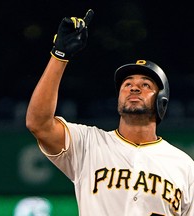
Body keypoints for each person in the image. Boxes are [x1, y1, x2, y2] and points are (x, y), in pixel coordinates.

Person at [26, 9, 194, 215]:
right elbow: (39, 124)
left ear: (162, 101)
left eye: (146, 85)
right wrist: (59, 55)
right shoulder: (89, 144)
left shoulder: (184, 166)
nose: (134, 87)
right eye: (127, 84)